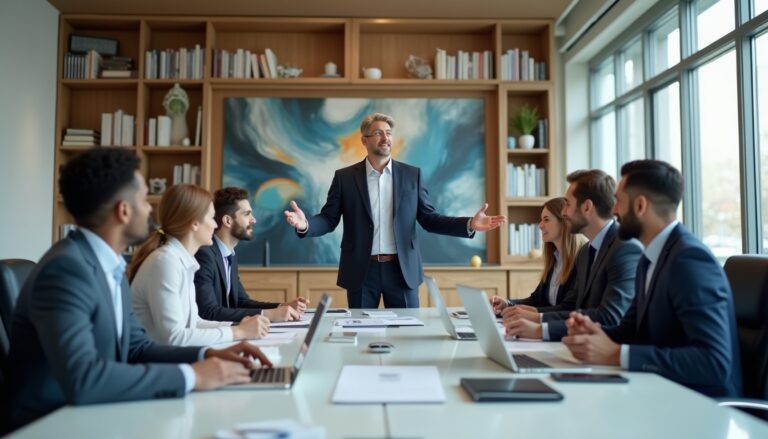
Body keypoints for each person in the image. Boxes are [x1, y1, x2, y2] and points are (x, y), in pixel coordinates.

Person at [4, 148, 270, 430]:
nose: (149, 208)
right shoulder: (66, 270)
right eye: (144, 199)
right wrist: (192, 376)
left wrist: (206, 355)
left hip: (95, 412)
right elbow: (84, 379)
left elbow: (136, 347)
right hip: (50, 424)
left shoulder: (110, 264)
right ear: (123, 210)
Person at [283, 113, 507, 308]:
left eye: (388, 133)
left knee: (409, 340)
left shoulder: (412, 175)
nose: (385, 137)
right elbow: (329, 219)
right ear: (364, 140)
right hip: (362, 271)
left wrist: (469, 224)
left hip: (402, 271)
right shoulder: (345, 178)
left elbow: (429, 219)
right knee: (361, 336)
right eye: (378, 133)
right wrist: (305, 225)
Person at [562, 160, 742, 398]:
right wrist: (595, 332)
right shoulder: (651, 257)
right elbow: (631, 329)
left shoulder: (689, 260)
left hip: (699, 407)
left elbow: (713, 363)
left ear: (640, 206)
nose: (613, 210)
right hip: (660, 391)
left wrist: (616, 354)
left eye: (619, 201)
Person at [502, 169, 641, 341]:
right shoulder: (585, 253)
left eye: (567, 204)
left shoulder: (625, 248)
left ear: (587, 207)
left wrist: (540, 328)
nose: (564, 212)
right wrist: (535, 320)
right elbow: (574, 309)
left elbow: (609, 317)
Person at [129, 184, 270, 346]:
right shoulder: (165, 262)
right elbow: (174, 337)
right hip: (157, 362)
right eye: (211, 218)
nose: (216, 225)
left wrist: (239, 326)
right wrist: (238, 332)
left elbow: (194, 322)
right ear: (195, 223)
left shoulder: (181, 261)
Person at [195, 187, 309, 322]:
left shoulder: (228, 254)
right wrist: (269, 315)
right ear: (227, 221)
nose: (253, 220)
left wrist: (282, 306)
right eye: (247, 214)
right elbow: (208, 312)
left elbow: (241, 301)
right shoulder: (204, 255)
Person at [489, 197, 586, 312]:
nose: (540, 225)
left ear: (563, 221)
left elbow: (568, 309)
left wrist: (530, 313)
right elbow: (536, 300)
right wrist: (507, 303)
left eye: (546, 219)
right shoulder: (555, 259)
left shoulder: (582, 260)